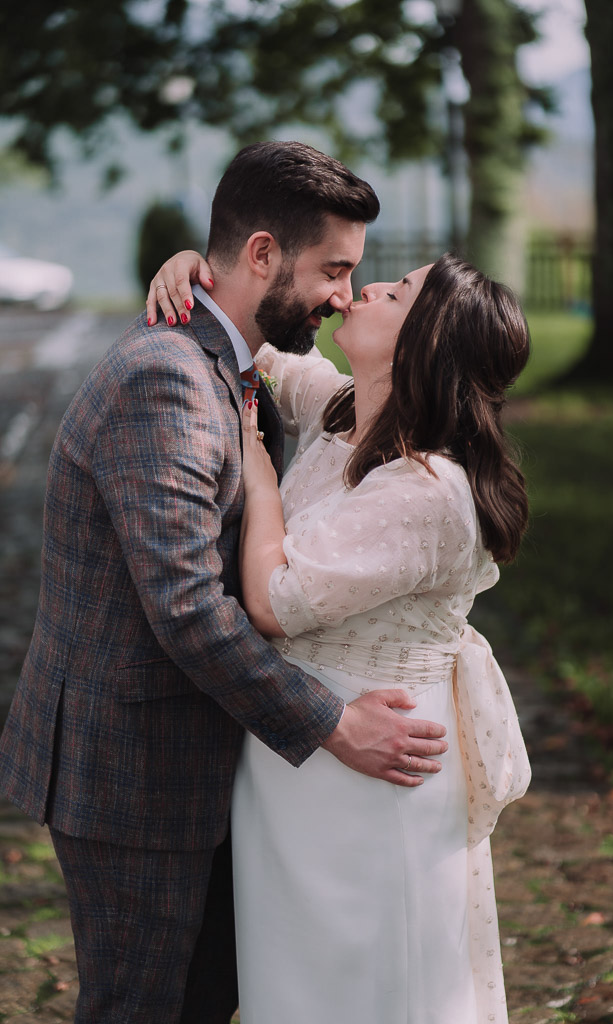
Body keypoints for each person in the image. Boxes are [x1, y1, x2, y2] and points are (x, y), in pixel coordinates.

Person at [0, 141, 450, 1024]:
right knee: (142, 1008)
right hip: (133, 776)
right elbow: (186, 608)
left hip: (194, 762)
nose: (342, 294)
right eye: (333, 269)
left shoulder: (232, 359)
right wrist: (332, 726)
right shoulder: (163, 381)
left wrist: (193, 269)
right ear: (260, 253)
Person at [150, 247, 533, 1023]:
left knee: (371, 972)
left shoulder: (426, 488)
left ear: (423, 344)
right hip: (302, 753)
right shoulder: (346, 413)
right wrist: (201, 265)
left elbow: (272, 600)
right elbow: (255, 347)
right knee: (298, 979)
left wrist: (258, 478)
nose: (369, 288)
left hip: (372, 758)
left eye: (398, 292)